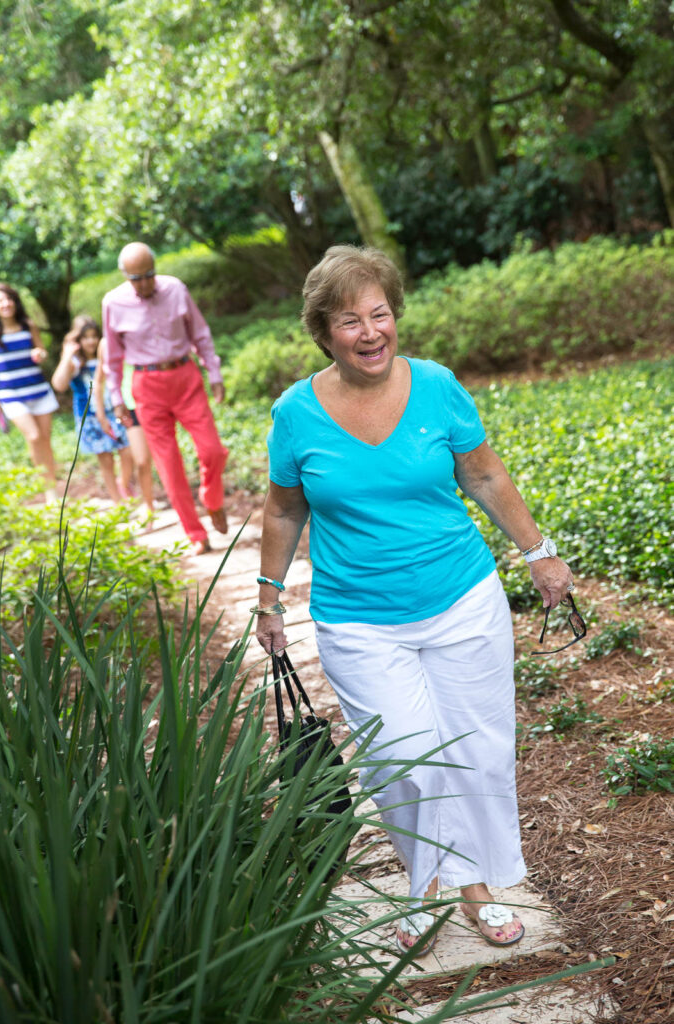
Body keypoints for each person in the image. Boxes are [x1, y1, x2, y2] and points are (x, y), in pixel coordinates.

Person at [254, 245, 575, 955]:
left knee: (475, 753)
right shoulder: (296, 412)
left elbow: (483, 474)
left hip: (461, 599)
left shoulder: (434, 386)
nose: (370, 332)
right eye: (349, 320)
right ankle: (423, 882)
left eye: (380, 314)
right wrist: (268, 597)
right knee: (405, 755)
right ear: (322, 331)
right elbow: (282, 511)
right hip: (359, 619)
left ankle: (475, 891)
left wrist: (538, 551)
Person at [102, 242, 229, 555]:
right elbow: (113, 357)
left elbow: (200, 333)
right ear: (125, 276)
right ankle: (196, 533)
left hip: (185, 376)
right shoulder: (113, 303)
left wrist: (214, 373)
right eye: (136, 278)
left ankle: (212, 499)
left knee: (212, 450)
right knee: (168, 464)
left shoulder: (175, 289)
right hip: (146, 384)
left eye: (149, 275)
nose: (144, 283)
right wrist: (116, 397)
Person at [51, 314, 136, 505]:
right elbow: (58, 384)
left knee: (128, 452)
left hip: (114, 412)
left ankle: (123, 483)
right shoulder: (75, 364)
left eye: (94, 336)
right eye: (85, 337)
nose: (91, 341)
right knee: (106, 461)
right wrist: (66, 355)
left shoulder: (107, 356)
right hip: (89, 417)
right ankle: (118, 502)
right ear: (78, 340)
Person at [0, 282, 59, 503]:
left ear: (15, 302)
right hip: (11, 394)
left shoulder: (28, 325)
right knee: (34, 436)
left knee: (44, 441)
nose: (5, 304)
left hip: (38, 390)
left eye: (8, 299)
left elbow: (40, 349)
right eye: (0, 301)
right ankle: (46, 486)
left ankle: (52, 489)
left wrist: (40, 353)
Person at [93, 353, 156, 524]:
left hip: (153, 399)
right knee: (141, 460)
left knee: (158, 458)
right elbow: (99, 380)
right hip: (129, 406)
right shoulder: (106, 344)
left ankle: (127, 485)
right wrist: (101, 415)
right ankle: (148, 506)